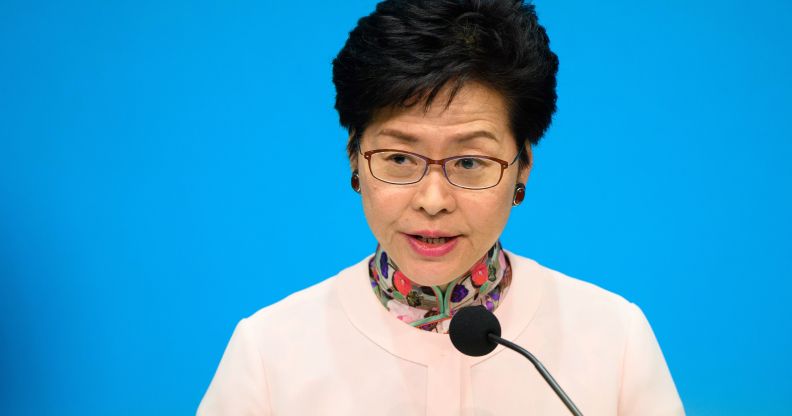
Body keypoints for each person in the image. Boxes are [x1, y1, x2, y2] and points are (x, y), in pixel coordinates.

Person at [197, 1, 684, 414]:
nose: (433, 201)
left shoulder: (614, 337)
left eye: (470, 161)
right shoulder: (268, 352)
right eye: (400, 158)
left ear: (522, 167)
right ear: (354, 158)